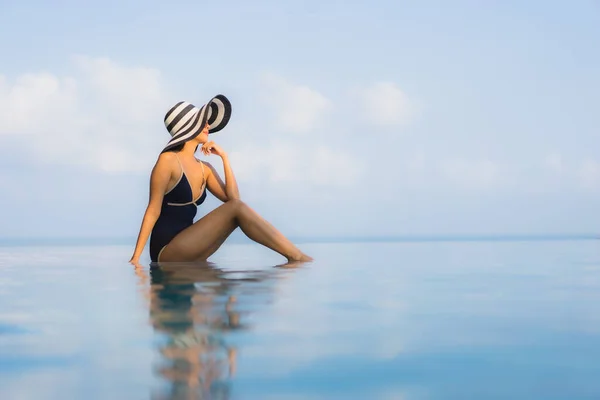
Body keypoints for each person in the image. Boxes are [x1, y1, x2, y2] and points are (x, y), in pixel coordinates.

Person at [129, 94, 312, 265]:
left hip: (190, 243)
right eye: (202, 122)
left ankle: (295, 256)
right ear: (188, 127)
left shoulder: (205, 168)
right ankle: (297, 257)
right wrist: (136, 259)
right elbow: (153, 210)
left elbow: (233, 199)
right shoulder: (167, 160)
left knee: (229, 294)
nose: (208, 125)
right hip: (167, 249)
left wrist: (224, 157)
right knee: (236, 209)